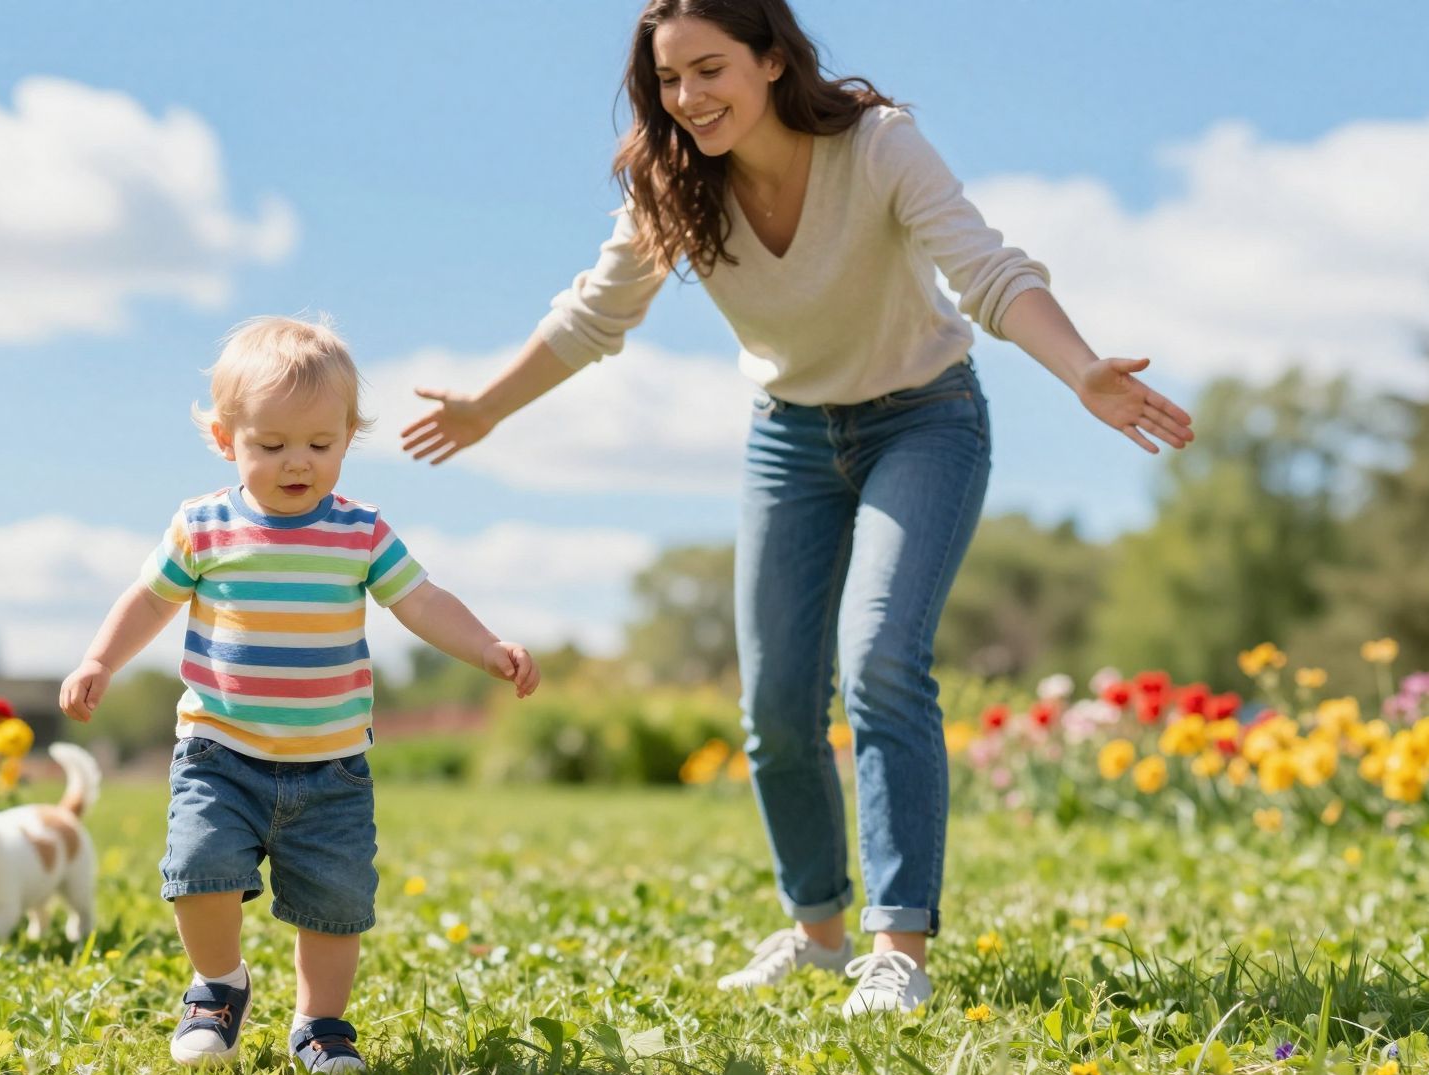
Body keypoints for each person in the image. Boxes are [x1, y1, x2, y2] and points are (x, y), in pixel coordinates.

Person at [400, 0, 1191, 1017]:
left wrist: (1080, 369)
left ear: (772, 60)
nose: (688, 98)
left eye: (710, 69)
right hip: (790, 437)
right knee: (775, 707)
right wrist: (484, 408)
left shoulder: (877, 147)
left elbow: (985, 269)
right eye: (669, 80)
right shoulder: (675, 184)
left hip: (924, 420)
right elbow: (596, 312)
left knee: (880, 658)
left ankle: (897, 949)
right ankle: (818, 935)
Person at [62, 316, 540, 1073]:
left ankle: (320, 1024)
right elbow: (149, 599)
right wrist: (100, 658)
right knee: (199, 870)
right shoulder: (204, 526)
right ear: (227, 441)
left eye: (320, 445)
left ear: (348, 437)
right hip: (220, 751)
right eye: (272, 445)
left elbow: (421, 600)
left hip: (331, 767)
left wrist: (485, 646)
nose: (298, 462)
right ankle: (219, 986)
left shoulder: (360, 533)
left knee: (334, 903)